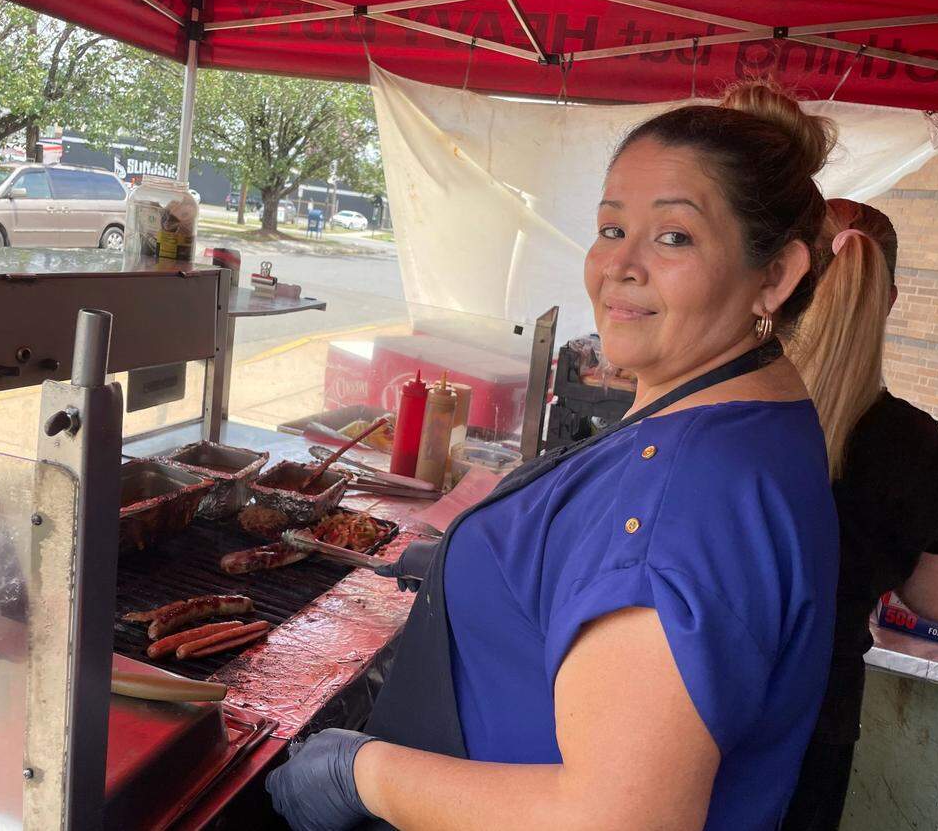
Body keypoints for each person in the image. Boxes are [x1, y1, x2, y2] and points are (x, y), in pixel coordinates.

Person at [268, 81, 842, 831]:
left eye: (675, 236)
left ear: (776, 274)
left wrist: (359, 772)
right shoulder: (746, 411)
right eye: (610, 228)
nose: (620, 266)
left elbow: (618, 818)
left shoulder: (685, 494)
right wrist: (477, 565)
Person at [781, 199, 938, 831]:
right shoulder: (917, 446)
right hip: (819, 719)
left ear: (776, 281)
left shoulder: (721, 408)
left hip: (698, 701)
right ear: (886, 300)